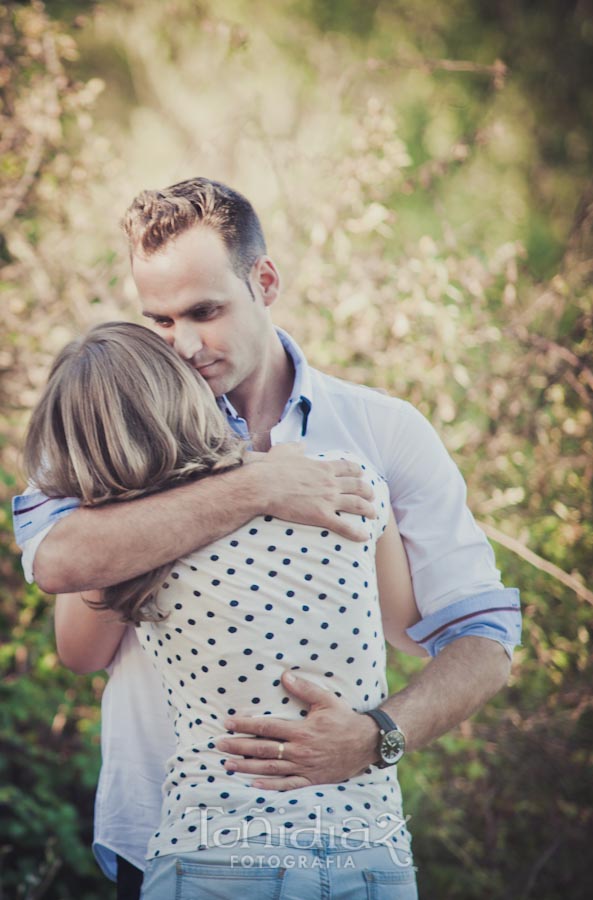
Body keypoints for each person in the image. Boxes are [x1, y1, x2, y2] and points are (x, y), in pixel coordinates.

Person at [13, 178, 521, 898]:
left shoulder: (380, 430)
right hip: (171, 829)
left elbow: (470, 637)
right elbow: (76, 630)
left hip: (345, 838)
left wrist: (374, 734)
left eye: (204, 311)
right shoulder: (125, 437)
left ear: (266, 280)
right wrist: (255, 486)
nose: (183, 345)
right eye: (157, 320)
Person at [25, 320, 427, 898]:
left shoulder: (137, 548)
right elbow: (406, 624)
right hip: (370, 850)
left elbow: (78, 651)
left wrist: (108, 501)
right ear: (185, 391)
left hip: (215, 848)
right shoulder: (350, 475)